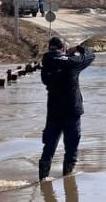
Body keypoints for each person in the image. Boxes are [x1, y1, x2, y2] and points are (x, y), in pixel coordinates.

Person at [38, 35, 95, 180]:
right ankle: (68, 180)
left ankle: (42, 180)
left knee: (49, 148)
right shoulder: (72, 63)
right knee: (71, 148)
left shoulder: (46, 62)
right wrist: (77, 49)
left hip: (53, 111)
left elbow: (46, 79)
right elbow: (90, 55)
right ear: (64, 48)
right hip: (72, 111)